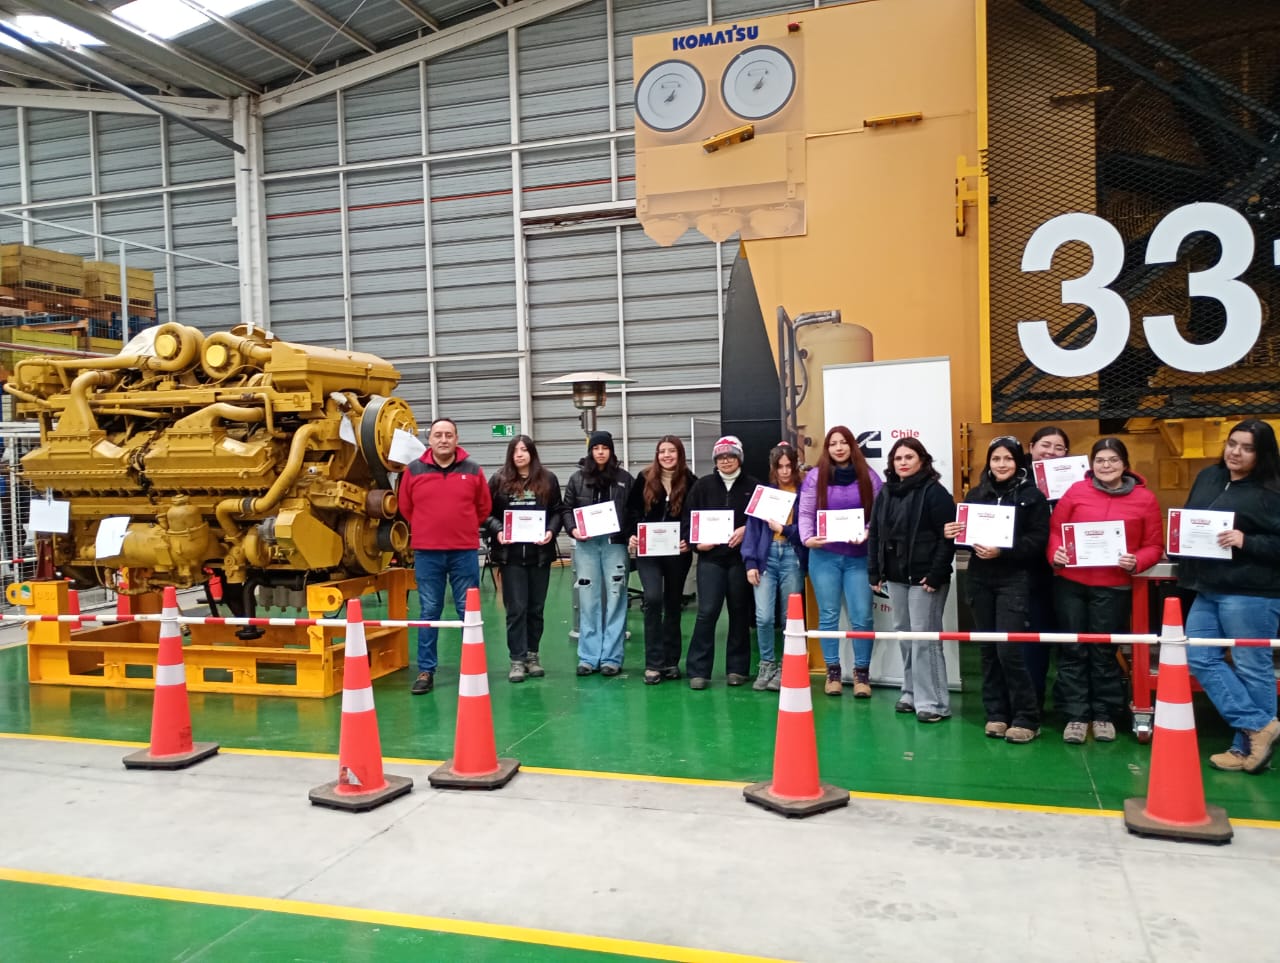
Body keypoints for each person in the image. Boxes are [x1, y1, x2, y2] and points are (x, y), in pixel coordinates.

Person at [1178, 419, 1280, 774]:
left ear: (1262, 453)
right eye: (1232, 443)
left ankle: (1243, 749)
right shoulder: (1209, 476)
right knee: (1200, 657)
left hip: (1251, 592)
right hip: (1207, 586)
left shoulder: (1273, 489)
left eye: (1247, 447)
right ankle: (1258, 726)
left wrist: (1246, 541)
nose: (1235, 452)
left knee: (1253, 668)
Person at [1046, 438, 1162, 743]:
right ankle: (1075, 715)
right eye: (1100, 461)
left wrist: (1138, 560)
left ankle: (1104, 714)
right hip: (1071, 584)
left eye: (1112, 460)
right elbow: (1056, 532)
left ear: (1125, 464)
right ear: (1091, 465)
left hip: (1114, 587)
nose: (1106, 466)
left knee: (1103, 652)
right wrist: (1055, 554)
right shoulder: (1076, 492)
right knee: (1072, 650)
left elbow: (1154, 545)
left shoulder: (1145, 499)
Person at [943, 437, 1048, 743]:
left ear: (1018, 462)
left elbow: (1037, 540)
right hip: (980, 580)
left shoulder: (1032, 497)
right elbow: (965, 539)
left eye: (1008, 459)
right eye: (996, 459)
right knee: (988, 650)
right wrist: (954, 533)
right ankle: (997, 714)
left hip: (1014, 580)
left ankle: (1027, 717)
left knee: (1009, 649)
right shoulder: (976, 495)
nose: (1001, 465)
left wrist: (1005, 551)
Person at [397, 417, 492, 695]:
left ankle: (472, 668)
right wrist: (429, 530)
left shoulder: (473, 470)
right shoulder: (412, 471)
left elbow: (483, 507)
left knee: (468, 612)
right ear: (430, 440)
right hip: (427, 553)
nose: (443, 440)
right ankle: (426, 671)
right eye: (438, 435)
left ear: (456, 439)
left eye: (448, 435)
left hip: (463, 552)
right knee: (429, 612)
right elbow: (406, 507)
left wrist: (462, 528)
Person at [868, 437, 956, 723]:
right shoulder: (886, 494)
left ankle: (934, 702)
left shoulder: (935, 492)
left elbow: (948, 538)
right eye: (898, 458)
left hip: (926, 580)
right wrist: (875, 571)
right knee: (906, 637)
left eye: (909, 457)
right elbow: (876, 536)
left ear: (921, 460)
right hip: (895, 578)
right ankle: (911, 691)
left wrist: (936, 573)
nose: (903, 462)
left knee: (924, 641)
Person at [798, 427, 881, 697]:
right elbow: (806, 511)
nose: (838, 448)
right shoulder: (815, 476)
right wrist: (807, 538)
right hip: (824, 557)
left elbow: (879, 513)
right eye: (833, 443)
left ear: (852, 446)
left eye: (843, 442)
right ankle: (833, 673)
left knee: (862, 617)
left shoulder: (868, 476)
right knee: (829, 616)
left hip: (858, 557)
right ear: (827, 448)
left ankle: (861, 676)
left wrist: (868, 531)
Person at [482, 435, 564, 683]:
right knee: (516, 609)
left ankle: (532, 655)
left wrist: (551, 531)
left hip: (539, 555)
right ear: (510, 454)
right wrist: (498, 530)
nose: (520, 454)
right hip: (511, 557)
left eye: (524, 450)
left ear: (532, 453)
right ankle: (517, 659)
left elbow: (558, 511)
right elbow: (484, 512)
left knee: (536, 609)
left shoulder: (548, 479)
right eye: (515, 450)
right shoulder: (498, 480)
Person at [684, 435, 759, 690]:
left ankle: (737, 669)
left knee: (740, 612)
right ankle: (698, 670)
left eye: (731, 455)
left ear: (739, 458)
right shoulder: (702, 486)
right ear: (715, 460)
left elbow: (763, 521)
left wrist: (747, 529)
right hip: (711, 560)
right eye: (721, 456)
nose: (726, 460)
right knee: (707, 612)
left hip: (741, 560)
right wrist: (696, 544)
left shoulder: (754, 486)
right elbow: (688, 522)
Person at [627, 436, 697, 685]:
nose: (666, 455)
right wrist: (633, 534)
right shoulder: (644, 478)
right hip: (649, 553)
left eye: (671, 451)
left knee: (673, 603)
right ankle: (653, 663)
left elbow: (694, 515)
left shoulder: (691, 482)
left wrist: (689, 539)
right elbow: (632, 511)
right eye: (662, 451)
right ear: (656, 455)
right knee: (654, 599)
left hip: (678, 554)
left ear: (680, 454)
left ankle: (670, 661)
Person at [563, 430, 633, 676]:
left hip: (615, 545)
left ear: (611, 451)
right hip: (587, 546)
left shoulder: (625, 479)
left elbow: (633, 510)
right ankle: (588, 656)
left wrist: (629, 533)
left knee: (616, 598)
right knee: (588, 599)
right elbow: (566, 509)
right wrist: (573, 529)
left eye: (604, 447)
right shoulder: (577, 478)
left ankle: (611, 657)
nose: (600, 452)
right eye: (596, 448)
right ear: (590, 451)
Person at [743, 442, 808, 692]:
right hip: (765, 556)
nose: (784, 471)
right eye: (779, 467)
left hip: (792, 555)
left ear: (794, 466)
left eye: (788, 466)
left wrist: (785, 530)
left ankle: (786, 665)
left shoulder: (804, 494)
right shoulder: (765, 494)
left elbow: (806, 531)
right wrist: (750, 562)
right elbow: (752, 530)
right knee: (764, 616)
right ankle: (767, 663)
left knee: (788, 616)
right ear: (773, 468)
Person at [1024, 425, 1072, 707]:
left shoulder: (1078, 483)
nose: (1051, 452)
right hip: (1032, 574)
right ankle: (1033, 704)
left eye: (1059, 447)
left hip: (1070, 574)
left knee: (1071, 641)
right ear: (1031, 447)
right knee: (1034, 641)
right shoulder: (1019, 483)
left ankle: (1071, 707)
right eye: (1045, 445)